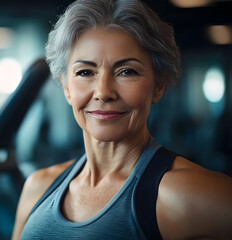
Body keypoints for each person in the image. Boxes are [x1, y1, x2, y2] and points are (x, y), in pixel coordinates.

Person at [12, 0, 232, 239]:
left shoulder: (191, 193)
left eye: (127, 71)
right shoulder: (38, 187)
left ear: (159, 85)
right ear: (66, 86)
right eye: (85, 72)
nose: (104, 92)